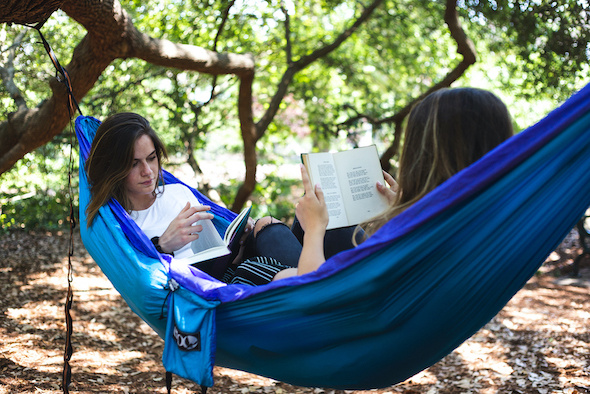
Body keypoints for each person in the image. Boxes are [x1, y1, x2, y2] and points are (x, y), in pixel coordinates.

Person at [292, 87, 514, 276]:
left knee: (273, 231)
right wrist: (405, 213)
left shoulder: (425, 237)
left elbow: (311, 298)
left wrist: (314, 229)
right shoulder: (493, 222)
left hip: (337, 313)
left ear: (422, 154)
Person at [85, 112, 305, 285]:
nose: (148, 171)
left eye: (151, 159)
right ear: (113, 167)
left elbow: (213, 248)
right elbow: (137, 276)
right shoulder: (117, 221)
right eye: (134, 164)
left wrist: (239, 241)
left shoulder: (177, 193)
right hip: (204, 292)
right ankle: (316, 283)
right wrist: (163, 245)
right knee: (254, 269)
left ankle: (316, 281)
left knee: (266, 225)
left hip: (231, 271)